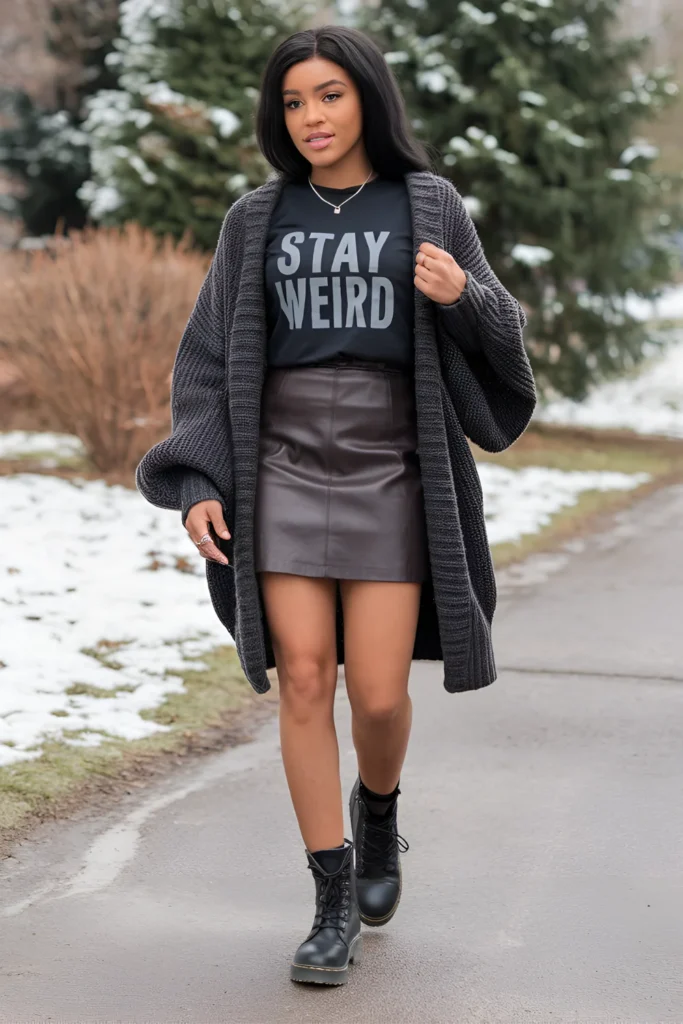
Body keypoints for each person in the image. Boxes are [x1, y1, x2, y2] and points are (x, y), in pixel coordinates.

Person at [135, 24, 537, 987]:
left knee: (383, 693)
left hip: (393, 468)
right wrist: (196, 480)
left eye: (328, 96)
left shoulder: (428, 205)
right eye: (292, 102)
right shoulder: (257, 217)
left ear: (367, 99)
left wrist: (460, 298)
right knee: (305, 679)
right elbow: (207, 362)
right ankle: (328, 903)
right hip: (279, 465)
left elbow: (501, 347)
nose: (310, 117)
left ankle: (381, 809)